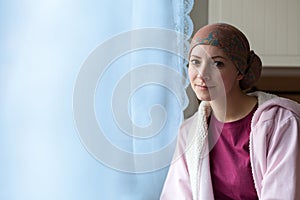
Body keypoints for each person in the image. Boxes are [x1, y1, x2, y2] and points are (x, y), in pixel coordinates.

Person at [160, 23, 300, 200]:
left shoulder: (281, 123)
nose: (202, 74)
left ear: (240, 71)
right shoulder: (189, 132)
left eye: (217, 63)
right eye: (195, 62)